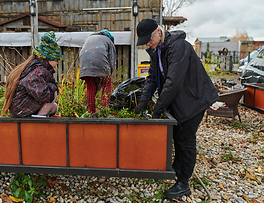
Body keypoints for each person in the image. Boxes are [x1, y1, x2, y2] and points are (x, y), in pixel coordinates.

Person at [133, 18, 219, 200]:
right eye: (144, 42)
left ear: (158, 31)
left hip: (194, 98)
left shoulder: (178, 47)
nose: (147, 44)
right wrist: (143, 101)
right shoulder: (157, 51)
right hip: (182, 99)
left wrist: (158, 108)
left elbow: (173, 83)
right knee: (178, 136)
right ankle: (178, 169)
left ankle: (184, 183)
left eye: (148, 39)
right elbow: (152, 78)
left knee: (186, 139)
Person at [2, 31, 62, 118]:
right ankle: (39, 120)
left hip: (19, 108)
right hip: (20, 109)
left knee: (53, 107)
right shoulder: (38, 71)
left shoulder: (37, 68)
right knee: (53, 92)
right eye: (56, 60)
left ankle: (42, 116)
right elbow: (44, 95)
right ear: (48, 58)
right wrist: (54, 87)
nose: (57, 63)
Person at [79, 30, 117, 118]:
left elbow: (82, 53)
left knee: (90, 87)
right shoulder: (109, 41)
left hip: (85, 64)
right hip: (101, 62)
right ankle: (104, 110)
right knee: (106, 85)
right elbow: (112, 59)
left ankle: (91, 112)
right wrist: (109, 73)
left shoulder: (88, 38)